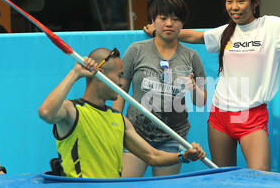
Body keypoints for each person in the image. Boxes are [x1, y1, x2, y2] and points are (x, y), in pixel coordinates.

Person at [144, 0, 280, 171]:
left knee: (262, 178)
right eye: (229, 1)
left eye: (240, 1)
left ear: (255, 1)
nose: (234, 7)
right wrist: (157, 31)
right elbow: (195, 36)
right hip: (220, 116)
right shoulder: (226, 31)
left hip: (250, 116)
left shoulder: (271, 26)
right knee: (223, 178)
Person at [38, 48, 206, 179]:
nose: (121, 82)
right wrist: (75, 74)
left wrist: (184, 156)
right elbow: (45, 112)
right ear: (101, 75)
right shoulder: (72, 111)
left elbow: (152, 156)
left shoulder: (119, 120)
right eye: (119, 75)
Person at [113, 0, 207, 177]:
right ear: (153, 21)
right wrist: (116, 125)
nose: (169, 23)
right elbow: (120, 90)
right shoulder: (136, 50)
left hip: (173, 137)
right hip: (135, 134)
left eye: (176, 19)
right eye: (163, 18)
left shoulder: (192, 56)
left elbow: (201, 102)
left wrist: (193, 88)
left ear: (183, 23)